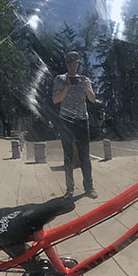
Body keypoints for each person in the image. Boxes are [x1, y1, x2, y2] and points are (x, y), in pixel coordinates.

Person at [52, 51, 97, 199]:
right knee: (68, 156)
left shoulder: (85, 79)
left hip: (82, 120)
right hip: (66, 121)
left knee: (85, 155)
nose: (74, 66)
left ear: (78, 64)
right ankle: (69, 189)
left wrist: (86, 87)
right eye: (71, 63)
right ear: (67, 64)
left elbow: (92, 99)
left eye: (76, 63)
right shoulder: (60, 79)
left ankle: (89, 187)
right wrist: (66, 87)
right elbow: (55, 100)